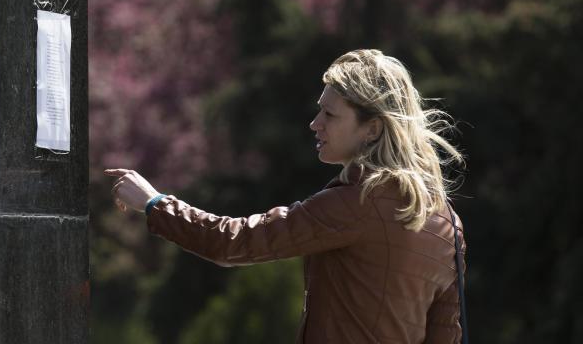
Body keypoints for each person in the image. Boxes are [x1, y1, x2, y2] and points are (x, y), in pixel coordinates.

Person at [107, 49, 466, 343]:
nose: (315, 123)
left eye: (329, 113)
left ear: (372, 129)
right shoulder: (447, 220)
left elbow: (233, 242)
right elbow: (446, 336)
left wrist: (155, 204)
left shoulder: (356, 204)